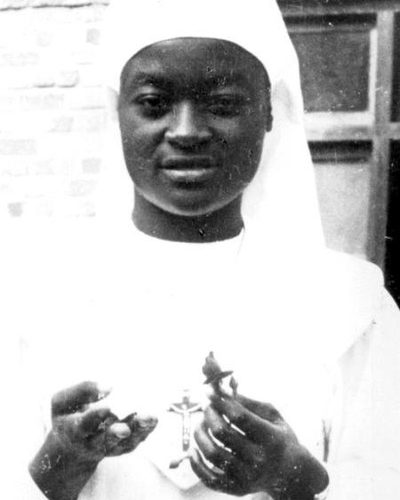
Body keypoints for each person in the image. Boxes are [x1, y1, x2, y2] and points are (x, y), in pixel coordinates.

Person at [3, 0, 400, 499]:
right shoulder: (32, 299)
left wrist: (295, 477)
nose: (187, 131)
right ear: (117, 113)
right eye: (153, 103)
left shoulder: (351, 307)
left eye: (223, 104)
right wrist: (60, 461)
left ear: (269, 112)